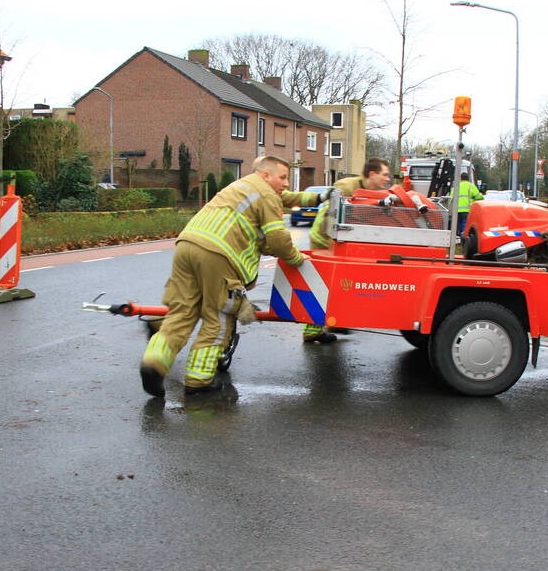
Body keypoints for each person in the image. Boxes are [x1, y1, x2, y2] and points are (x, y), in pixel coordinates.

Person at [139, 155, 316, 397]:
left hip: (187, 244)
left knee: (181, 312)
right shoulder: (266, 195)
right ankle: (199, 380)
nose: (286, 183)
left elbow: (285, 201)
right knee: (219, 316)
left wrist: (318, 197)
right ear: (266, 175)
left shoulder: (240, 186)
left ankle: (153, 363)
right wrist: (297, 259)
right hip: (218, 255)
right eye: (283, 177)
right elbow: (278, 239)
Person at [303, 157, 391, 343]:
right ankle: (313, 330)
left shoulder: (373, 191)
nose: (387, 179)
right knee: (322, 286)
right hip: (325, 241)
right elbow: (333, 217)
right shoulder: (346, 187)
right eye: (384, 175)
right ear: (372, 174)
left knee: (338, 285)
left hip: (340, 244)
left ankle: (333, 321)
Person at [455, 172, 484, 238]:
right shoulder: (471, 186)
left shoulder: (456, 186)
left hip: (456, 209)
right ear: (468, 178)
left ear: (461, 178)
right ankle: (463, 237)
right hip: (467, 209)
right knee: (465, 224)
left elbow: (451, 197)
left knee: (457, 224)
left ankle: (457, 237)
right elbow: (479, 197)